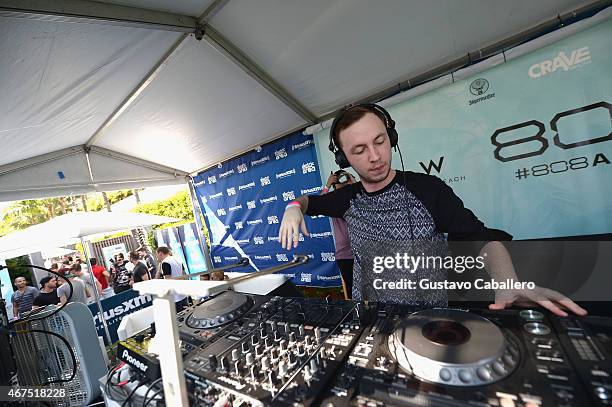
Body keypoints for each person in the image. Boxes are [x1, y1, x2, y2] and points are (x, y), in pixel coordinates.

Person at [279, 103, 587, 316]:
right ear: (344, 158)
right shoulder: (346, 199)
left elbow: (478, 237)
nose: (375, 156)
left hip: (434, 319)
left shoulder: (428, 189)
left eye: (380, 141)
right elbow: (310, 202)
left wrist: (507, 283)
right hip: (372, 320)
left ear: (391, 138)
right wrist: (294, 206)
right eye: (359, 150)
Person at [323, 170, 356, 299]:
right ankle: (358, 315)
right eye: (339, 181)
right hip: (345, 255)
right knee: (351, 289)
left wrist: (353, 183)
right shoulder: (333, 201)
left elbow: (369, 200)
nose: (342, 183)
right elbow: (320, 202)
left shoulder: (356, 197)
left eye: (345, 180)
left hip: (363, 251)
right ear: (335, 185)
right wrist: (327, 186)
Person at [155, 246, 188, 311]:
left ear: (160, 253)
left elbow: (168, 281)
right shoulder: (177, 259)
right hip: (182, 293)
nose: (156, 256)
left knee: (178, 318)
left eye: (157, 254)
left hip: (175, 297)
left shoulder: (165, 262)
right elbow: (184, 274)